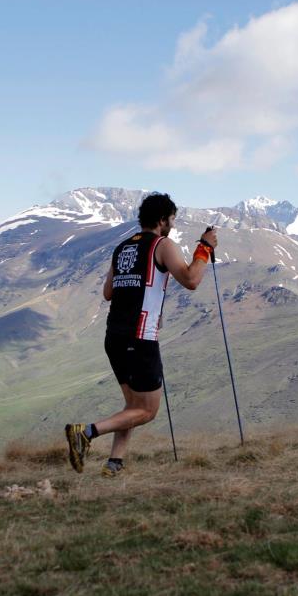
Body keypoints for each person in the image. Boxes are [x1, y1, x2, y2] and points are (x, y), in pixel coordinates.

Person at [65, 193, 217, 476]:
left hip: (115, 337)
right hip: (140, 337)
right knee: (147, 411)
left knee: (132, 406)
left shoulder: (123, 247)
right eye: (171, 219)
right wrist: (204, 248)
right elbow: (191, 279)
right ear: (161, 220)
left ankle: (114, 463)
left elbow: (108, 292)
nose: (172, 225)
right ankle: (85, 432)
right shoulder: (163, 244)